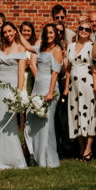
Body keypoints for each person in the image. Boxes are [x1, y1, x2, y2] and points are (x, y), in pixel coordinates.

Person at [0, 24, 29, 170]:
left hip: (11, 87)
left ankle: (15, 159)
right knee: (0, 122)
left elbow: (21, 73)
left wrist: (19, 91)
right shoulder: (0, 48)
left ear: (15, 31)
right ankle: (0, 158)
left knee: (10, 123)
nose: (7, 34)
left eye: (9, 31)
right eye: (5, 32)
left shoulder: (20, 48)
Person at [27, 25, 64, 169]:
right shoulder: (41, 48)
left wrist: (50, 92)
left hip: (49, 88)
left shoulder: (57, 50)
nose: (49, 35)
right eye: (46, 33)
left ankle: (48, 159)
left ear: (55, 34)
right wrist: (17, 33)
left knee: (47, 125)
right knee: (34, 121)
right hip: (37, 87)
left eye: (51, 32)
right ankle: (36, 155)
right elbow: (27, 46)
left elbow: (55, 73)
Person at [65, 20, 96, 159]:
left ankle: (88, 148)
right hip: (73, 85)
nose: (84, 31)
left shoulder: (91, 45)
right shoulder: (71, 46)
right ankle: (81, 148)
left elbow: (94, 68)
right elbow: (68, 69)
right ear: (77, 30)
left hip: (87, 84)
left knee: (89, 114)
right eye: (81, 28)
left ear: (90, 32)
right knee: (76, 114)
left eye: (87, 29)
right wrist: (66, 87)